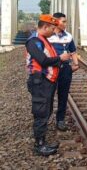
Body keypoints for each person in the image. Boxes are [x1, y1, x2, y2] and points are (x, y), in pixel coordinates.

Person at [26, 14, 71, 156]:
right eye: (52, 28)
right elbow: (43, 60)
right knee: (41, 112)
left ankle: (42, 141)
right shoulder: (33, 41)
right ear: (44, 27)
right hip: (40, 82)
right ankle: (39, 145)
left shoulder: (43, 40)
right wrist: (60, 58)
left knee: (46, 111)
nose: (54, 31)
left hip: (46, 82)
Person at [48, 12, 79, 131]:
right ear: (56, 21)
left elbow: (73, 51)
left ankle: (60, 120)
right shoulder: (48, 36)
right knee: (48, 94)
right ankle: (46, 118)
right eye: (64, 21)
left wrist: (75, 64)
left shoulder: (68, 36)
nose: (66, 23)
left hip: (65, 69)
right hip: (51, 68)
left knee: (63, 95)